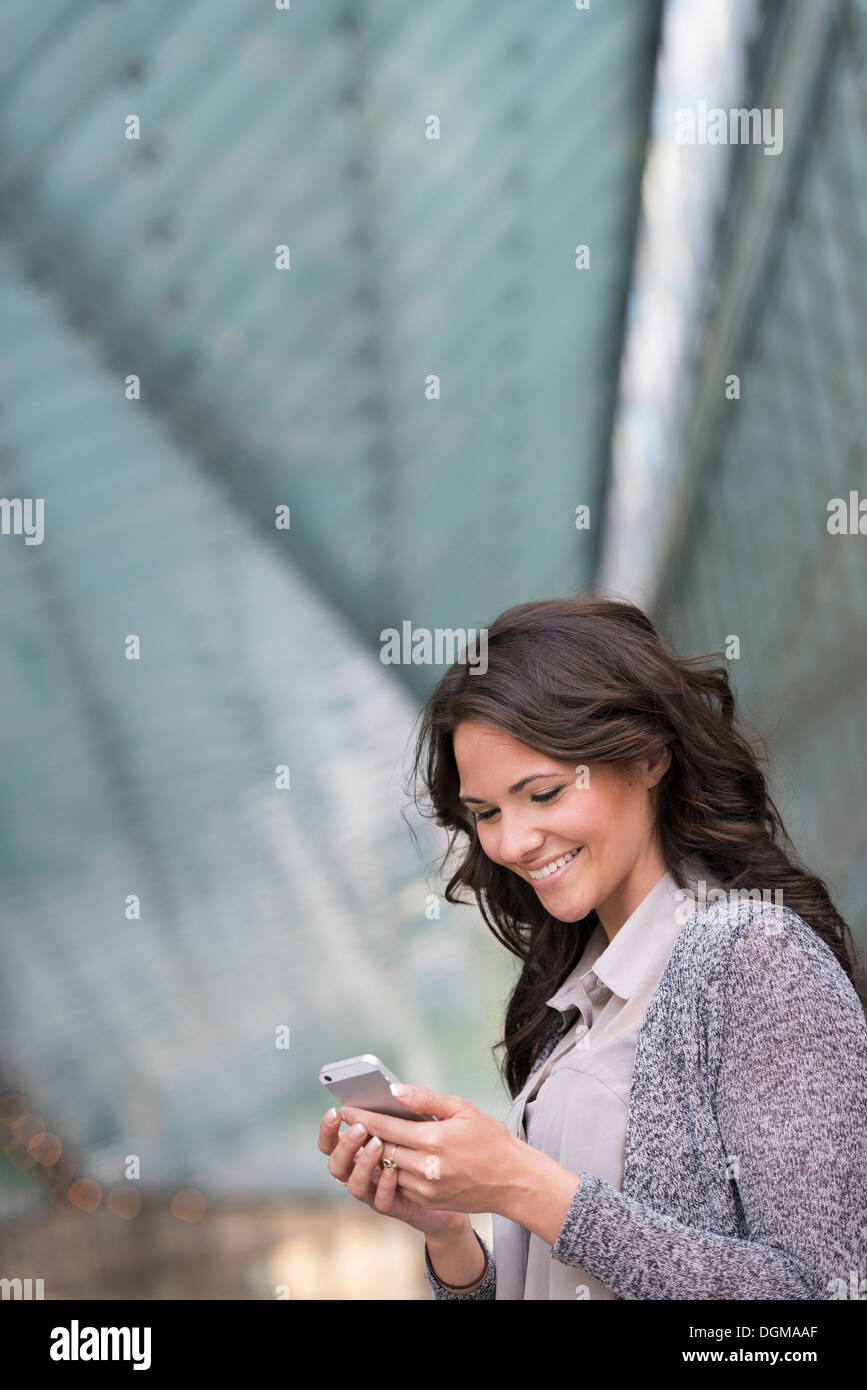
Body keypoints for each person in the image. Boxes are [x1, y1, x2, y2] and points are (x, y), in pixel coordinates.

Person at [317, 596, 867, 1300]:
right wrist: (451, 1236)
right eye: (484, 813)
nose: (511, 842)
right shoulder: (575, 998)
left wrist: (522, 1185)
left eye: (542, 794)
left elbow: (816, 1303)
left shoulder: (755, 959)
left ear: (647, 758)